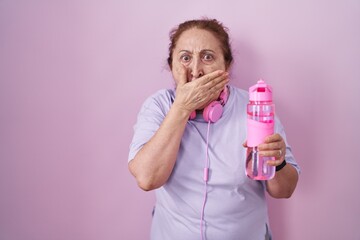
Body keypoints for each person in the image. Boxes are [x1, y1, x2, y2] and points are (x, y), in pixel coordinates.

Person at [128, 18, 300, 240]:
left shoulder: (255, 107)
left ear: (226, 66)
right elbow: (147, 178)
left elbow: (284, 190)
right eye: (185, 58)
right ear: (172, 66)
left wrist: (279, 163)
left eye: (208, 57)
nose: (196, 70)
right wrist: (182, 107)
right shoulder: (158, 106)